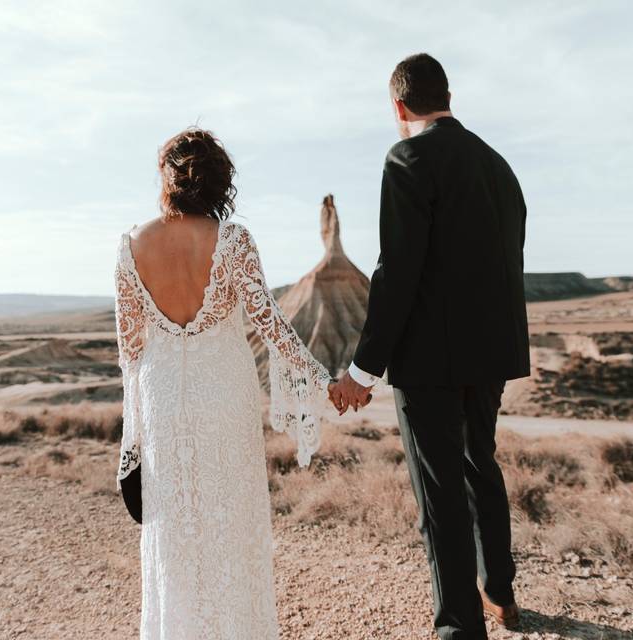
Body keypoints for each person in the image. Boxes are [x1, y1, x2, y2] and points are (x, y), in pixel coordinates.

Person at [330, 53, 531, 640]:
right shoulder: (499, 166)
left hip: (430, 362)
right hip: (490, 353)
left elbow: (398, 271)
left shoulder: (408, 157)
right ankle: (501, 593)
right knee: (480, 467)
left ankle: (458, 628)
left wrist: (363, 371)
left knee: (439, 493)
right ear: (448, 95)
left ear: (399, 107)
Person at [113, 127, 336, 639]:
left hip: (164, 401)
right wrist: (325, 384)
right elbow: (272, 325)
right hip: (225, 400)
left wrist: (133, 440)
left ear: (167, 179)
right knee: (232, 532)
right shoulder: (233, 241)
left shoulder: (130, 246)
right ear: (219, 182)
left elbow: (131, 352)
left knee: (174, 538)